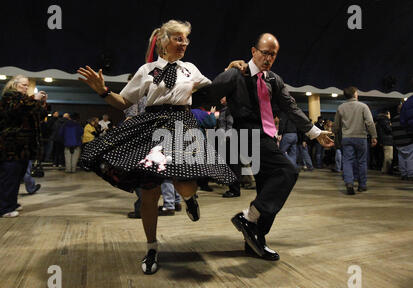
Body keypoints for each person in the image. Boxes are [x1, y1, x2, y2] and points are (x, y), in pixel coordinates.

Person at [77, 20, 236, 274]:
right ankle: (151, 247)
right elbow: (123, 102)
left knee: (185, 182)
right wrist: (103, 91)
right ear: (163, 41)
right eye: (178, 38)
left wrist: (229, 70)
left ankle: (190, 198)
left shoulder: (190, 69)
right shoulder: (146, 70)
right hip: (151, 127)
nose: (184, 43)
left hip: (182, 125)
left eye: (186, 39)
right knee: (149, 193)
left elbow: (213, 90)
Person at [192, 33, 334, 261]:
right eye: (265, 53)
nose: (268, 58)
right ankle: (248, 217)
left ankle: (255, 240)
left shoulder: (273, 80)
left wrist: (315, 133)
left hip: (267, 137)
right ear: (253, 51)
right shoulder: (235, 74)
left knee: (268, 188)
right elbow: (208, 94)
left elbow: (290, 107)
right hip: (247, 136)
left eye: (273, 54)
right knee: (287, 171)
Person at [0, 75, 47, 218]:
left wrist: (42, 104)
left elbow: (37, 116)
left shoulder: (25, 101)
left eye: (27, 85)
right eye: (23, 85)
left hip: (23, 146)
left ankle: (11, 203)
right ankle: (5, 208)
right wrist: (34, 99)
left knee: (17, 175)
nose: (26, 88)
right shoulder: (9, 97)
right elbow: (15, 110)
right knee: (9, 176)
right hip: (11, 144)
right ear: (14, 84)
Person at [333, 87, 377, 195]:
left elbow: (336, 126)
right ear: (355, 94)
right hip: (361, 138)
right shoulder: (363, 106)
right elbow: (370, 122)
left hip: (346, 138)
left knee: (347, 161)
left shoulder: (341, 107)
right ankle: (362, 185)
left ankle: (349, 183)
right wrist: (374, 136)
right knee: (362, 161)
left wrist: (334, 133)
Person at [392, 102, 413, 181]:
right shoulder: (406, 118)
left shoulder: (394, 119)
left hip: (398, 142)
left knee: (401, 158)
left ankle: (403, 174)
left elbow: (393, 131)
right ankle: (410, 175)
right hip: (408, 141)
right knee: (410, 158)